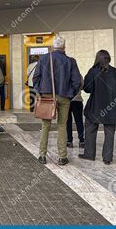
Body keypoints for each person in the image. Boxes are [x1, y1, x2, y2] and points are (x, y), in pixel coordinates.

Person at [33, 36, 81, 166]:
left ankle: (42, 155)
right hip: (64, 96)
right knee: (62, 125)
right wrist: (70, 95)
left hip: (47, 97)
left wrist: (41, 92)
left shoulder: (43, 59)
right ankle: (62, 157)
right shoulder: (70, 61)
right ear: (64, 47)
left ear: (53, 46)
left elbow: (35, 78)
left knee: (45, 126)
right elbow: (77, 82)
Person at [78, 50, 116, 164]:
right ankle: (107, 158)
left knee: (90, 130)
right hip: (112, 108)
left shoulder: (93, 72)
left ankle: (89, 154)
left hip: (95, 106)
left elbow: (87, 89)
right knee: (110, 133)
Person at [66, 60, 85, 148]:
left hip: (66, 100)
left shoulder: (63, 74)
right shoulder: (78, 75)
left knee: (67, 121)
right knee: (79, 121)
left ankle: (69, 141)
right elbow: (82, 86)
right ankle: (82, 141)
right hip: (77, 100)